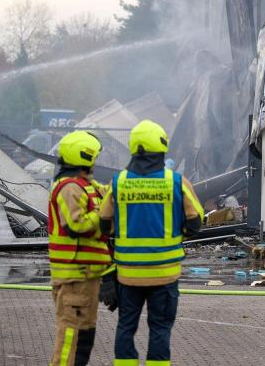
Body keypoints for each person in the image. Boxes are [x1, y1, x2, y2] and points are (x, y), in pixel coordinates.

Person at [100, 120, 204, 366]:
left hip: (128, 275)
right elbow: (195, 221)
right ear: (162, 146)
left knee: (126, 326)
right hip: (164, 274)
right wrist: (178, 235)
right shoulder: (176, 181)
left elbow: (104, 223)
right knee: (160, 327)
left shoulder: (118, 182)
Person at [48, 131, 111, 366]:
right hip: (73, 276)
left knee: (85, 335)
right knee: (70, 335)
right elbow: (76, 224)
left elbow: (109, 193)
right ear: (85, 157)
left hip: (87, 275)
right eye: (94, 157)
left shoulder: (87, 185)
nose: (96, 163)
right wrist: (102, 216)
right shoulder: (69, 187)